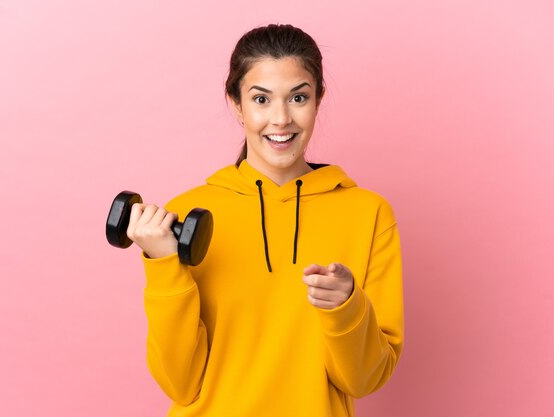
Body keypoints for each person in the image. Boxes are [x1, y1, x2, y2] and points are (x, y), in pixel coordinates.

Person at [126, 24, 404, 417]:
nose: (281, 118)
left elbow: (365, 380)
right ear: (237, 104)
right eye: (261, 99)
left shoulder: (369, 214)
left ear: (318, 100)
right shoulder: (185, 214)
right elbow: (179, 384)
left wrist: (347, 306)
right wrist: (164, 266)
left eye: (298, 97)